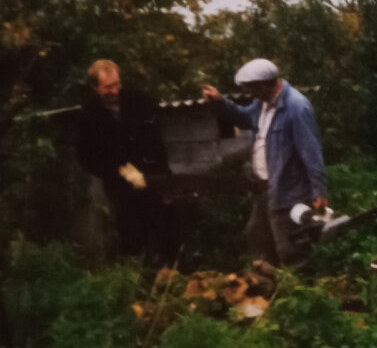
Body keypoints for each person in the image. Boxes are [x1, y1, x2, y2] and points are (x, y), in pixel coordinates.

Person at [201, 59, 328, 265]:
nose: (250, 94)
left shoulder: (296, 107)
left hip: (289, 192)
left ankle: (302, 291)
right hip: (263, 189)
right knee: (256, 237)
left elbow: (311, 151)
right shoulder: (261, 105)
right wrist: (219, 102)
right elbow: (243, 118)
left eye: (251, 89)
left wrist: (319, 191)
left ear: (263, 85)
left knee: (290, 247)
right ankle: (267, 287)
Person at [76, 59, 179, 264]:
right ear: (95, 87)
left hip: (151, 177)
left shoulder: (138, 100)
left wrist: (161, 175)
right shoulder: (88, 115)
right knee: (131, 233)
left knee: (163, 228)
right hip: (120, 186)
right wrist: (119, 171)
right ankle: (135, 276)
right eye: (108, 87)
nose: (114, 90)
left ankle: (168, 272)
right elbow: (86, 157)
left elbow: (156, 140)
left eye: (116, 84)